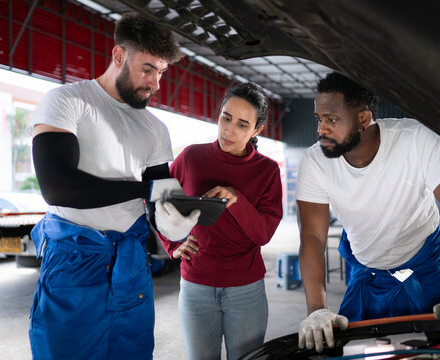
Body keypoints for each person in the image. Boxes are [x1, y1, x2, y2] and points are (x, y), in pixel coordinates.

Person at [26, 13, 200, 360]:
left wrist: (176, 220)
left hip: (130, 263)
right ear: (119, 56)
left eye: (161, 72)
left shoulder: (154, 128)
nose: (156, 83)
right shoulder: (67, 101)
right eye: (147, 69)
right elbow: (58, 187)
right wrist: (142, 191)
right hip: (74, 259)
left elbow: (158, 196)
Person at [295, 72, 440, 352]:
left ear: (363, 119)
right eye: (319, 119)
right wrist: (316, 310)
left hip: (427, 266)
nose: (321, 129)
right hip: (367, 273)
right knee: (355, 349)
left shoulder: (417, 140)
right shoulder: (315, 161)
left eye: (331, 120)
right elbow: (313, 236)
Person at [157, 83, 283, 360]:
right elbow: (158, 203)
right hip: (195, 287)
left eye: (242, 124)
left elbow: (263, 233)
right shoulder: (191, 158)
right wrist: (171, 245)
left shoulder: (267, 171)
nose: (229, 129)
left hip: (246, 290)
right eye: (226, 117)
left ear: (256, 131)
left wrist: (236, 200)